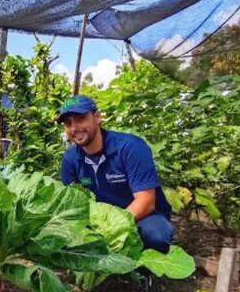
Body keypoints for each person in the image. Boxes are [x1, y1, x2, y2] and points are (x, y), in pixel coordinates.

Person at [58, 95, 173, 254]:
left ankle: (142, 274)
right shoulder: (70, 158)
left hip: (141, 217)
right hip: (100, 222)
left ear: (97, 117)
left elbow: (146, 201)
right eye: (68, 123)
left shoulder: (130, 147)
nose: (74, 128)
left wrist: (112, 229)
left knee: (154, 235)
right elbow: (71, 204)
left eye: (80, 119)